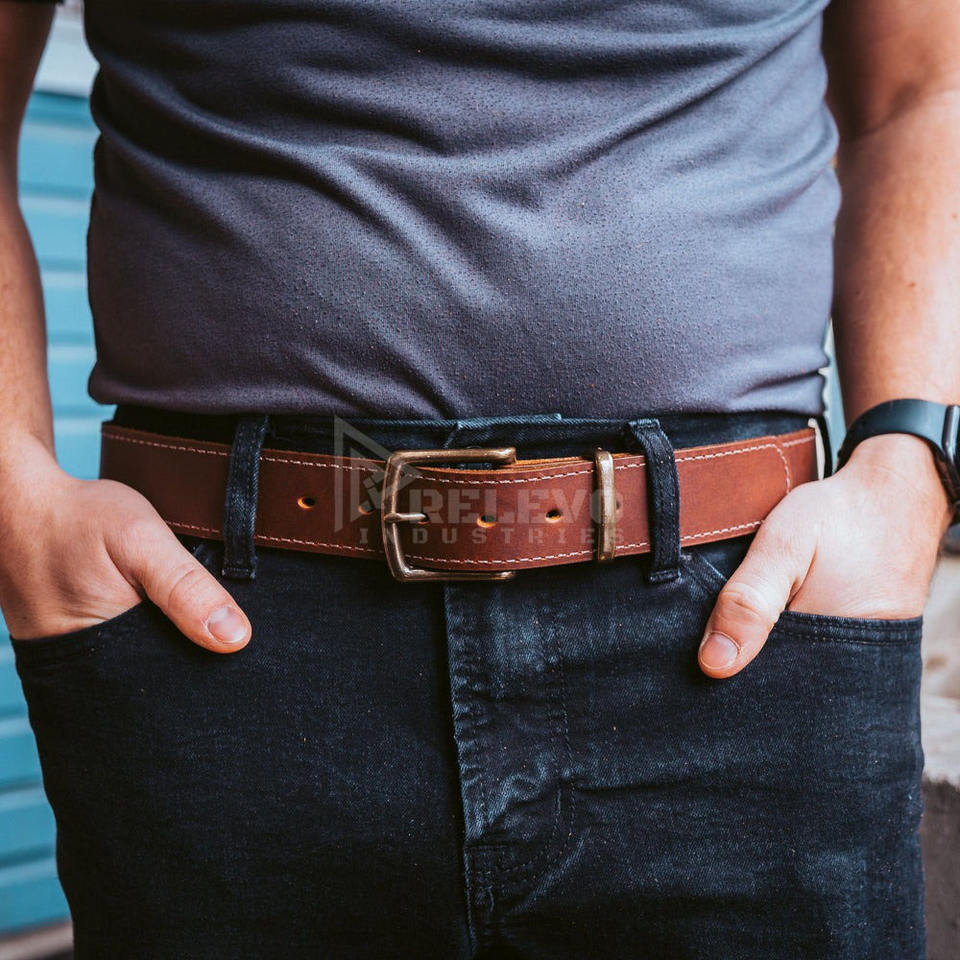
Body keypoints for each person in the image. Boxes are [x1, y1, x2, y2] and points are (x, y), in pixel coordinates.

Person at [0, 0, 957, 957]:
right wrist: (15, 489)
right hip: (221, 627)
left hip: (734, 612)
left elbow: (922, 91)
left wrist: (910, 464)